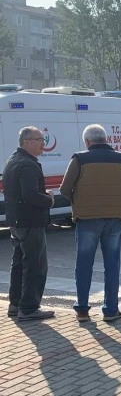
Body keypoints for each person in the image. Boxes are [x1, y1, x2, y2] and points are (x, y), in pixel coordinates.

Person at [59, 124, 121, 322]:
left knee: (84, 265)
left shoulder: (79, 158)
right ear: (105, 139)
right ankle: (111, 310)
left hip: (87, 219)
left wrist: (79, 200)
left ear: (87, 142)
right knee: (112, 265)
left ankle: (83, 310)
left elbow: (64, 189)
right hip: (114, 218)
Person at [3, 126, 56, 321]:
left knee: (19, 264)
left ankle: (16, 304)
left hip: (17, 221)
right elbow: (30, 196)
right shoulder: (27, 164)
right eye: (39, 139)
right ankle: (29, 307)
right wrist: (49, 199)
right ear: (26, 142)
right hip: (30, 221)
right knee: (35, 265)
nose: (43, 143)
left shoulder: (14, 160)